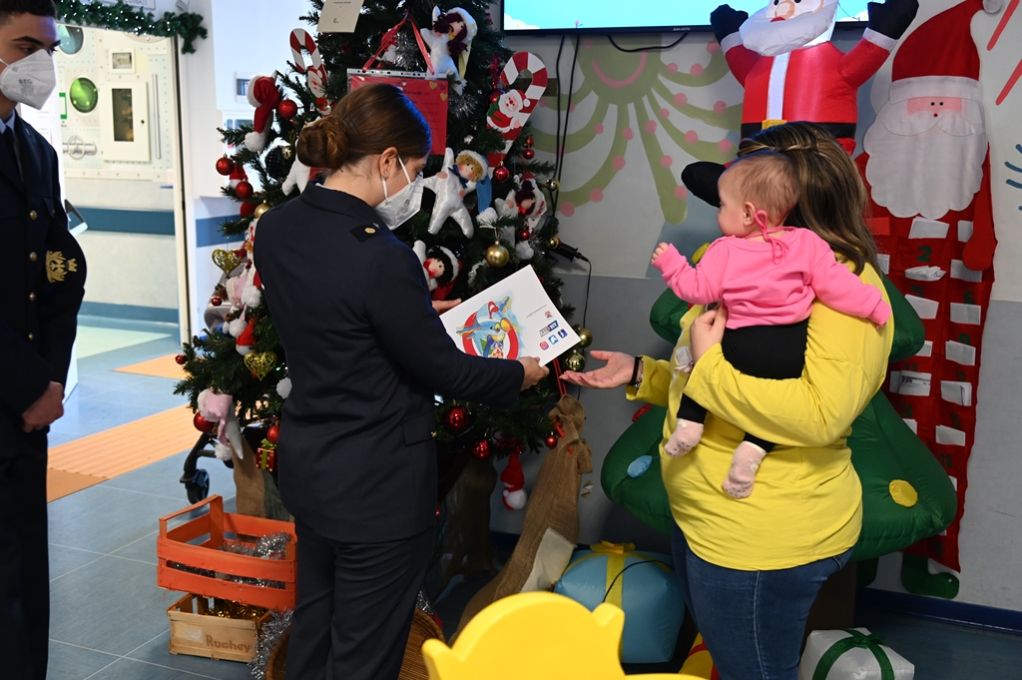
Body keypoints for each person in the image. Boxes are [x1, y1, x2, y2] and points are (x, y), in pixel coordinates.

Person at [561, 122, 894, 680]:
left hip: (759, 538)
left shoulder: (839, 285)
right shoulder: (743, 257)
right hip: (702, 517)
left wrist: (709, 362)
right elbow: (711, 371)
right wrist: (642, 372)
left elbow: (815, 414)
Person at [253, 83, 548, 680]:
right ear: (388, 160)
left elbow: (332, 316)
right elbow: (444, 370)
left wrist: (412, 312)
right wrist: (520, 373)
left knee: (314, 630)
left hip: (313, 466)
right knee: (364, 657)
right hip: (378, 486)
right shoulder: (381, 256)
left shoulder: (279, 228)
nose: (417, 185)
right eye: (416, 169)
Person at [650, 152, 890, 498]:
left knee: (699, 380)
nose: (718, 213)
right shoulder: (808, 245)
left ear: (749, 213)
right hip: (786, 349)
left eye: (722, 205)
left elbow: (696, 289)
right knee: (769, 410)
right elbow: (838, 287)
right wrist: (875, 308)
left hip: (739, 342)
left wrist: (671, 264)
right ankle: (753, 450)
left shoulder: (725, 250)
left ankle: (690, 424)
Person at [0, 2, 87, 679]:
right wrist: (29, 383)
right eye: (25, 47)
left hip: (27, 414)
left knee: (25, 576)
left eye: (49, 51)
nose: (41, 65)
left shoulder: (35, 151)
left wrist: (51, 381)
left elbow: (61, 273)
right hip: (11, 390)